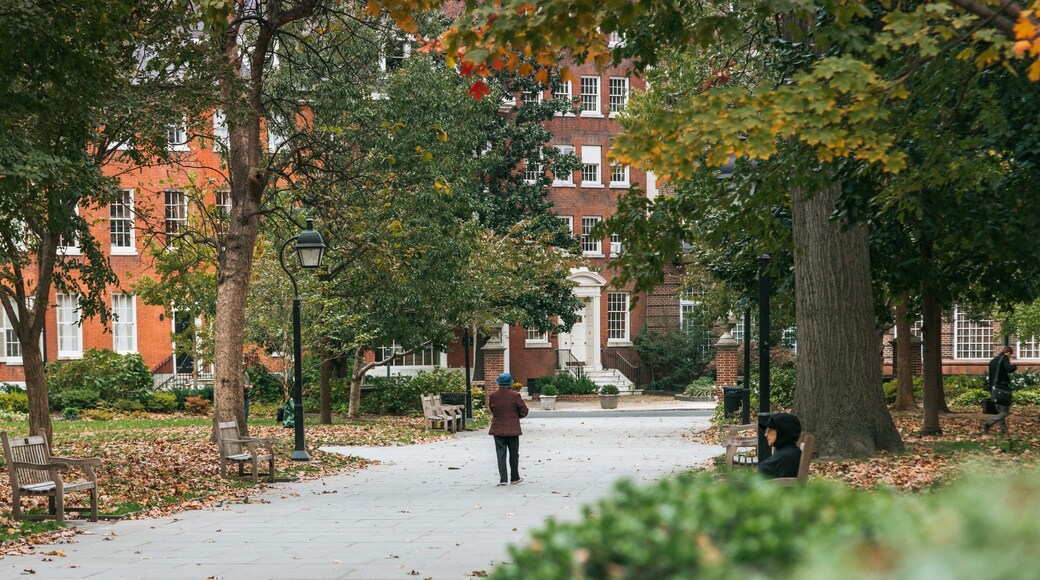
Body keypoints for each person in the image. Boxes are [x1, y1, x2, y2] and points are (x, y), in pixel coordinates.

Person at [489, 372, 529, 486]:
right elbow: (524, 411)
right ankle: (515, 477)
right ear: (510, 383)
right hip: (512, 429)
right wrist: (515, 416)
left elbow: (492, 409)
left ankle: (503, 479)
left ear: (498, 383)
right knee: (514, 454)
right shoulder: (515, 395)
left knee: (500, 454)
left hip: (498, 429)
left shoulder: (493, 396)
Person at [985, 345, 1017, 435]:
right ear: (1008, 353)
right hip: (1001, 389)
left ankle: (1003, 430)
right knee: (1005, 411)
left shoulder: (993, 361)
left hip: (993, 388)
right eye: (1010, 355)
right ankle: (988, 423)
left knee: (1000, 410)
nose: (1010, 357)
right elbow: (1009, 369)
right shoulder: (1004, 358)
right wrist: (1014, 366)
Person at [759, 412, 802, 478]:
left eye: (769, 431)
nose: (765, 435)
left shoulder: (788, 456)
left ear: (782, 431)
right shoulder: (785, 452)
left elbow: (786, 485)